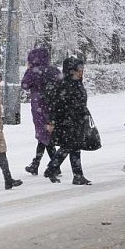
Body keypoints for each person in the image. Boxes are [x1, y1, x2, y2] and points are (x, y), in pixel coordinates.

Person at [43, 57, 93, 186]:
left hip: (77, 119)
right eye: (79, 69)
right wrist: (52, 121)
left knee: (73, 147)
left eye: (82, 69)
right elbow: (56, 104)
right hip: (67, 120)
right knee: (69, 146)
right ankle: (53, 169)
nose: (81, 72)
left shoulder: (76, 83)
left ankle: (76, 175)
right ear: (71, 71)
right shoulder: (64, 84)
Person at [20, 47, 60, 176]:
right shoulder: (54, 70)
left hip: (39, 108)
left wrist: (28, 70)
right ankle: (37, 164)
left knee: (44, 136)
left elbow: (24, 85)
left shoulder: (33, 71)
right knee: (46, 135)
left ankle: (52, 165)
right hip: (54, 106)